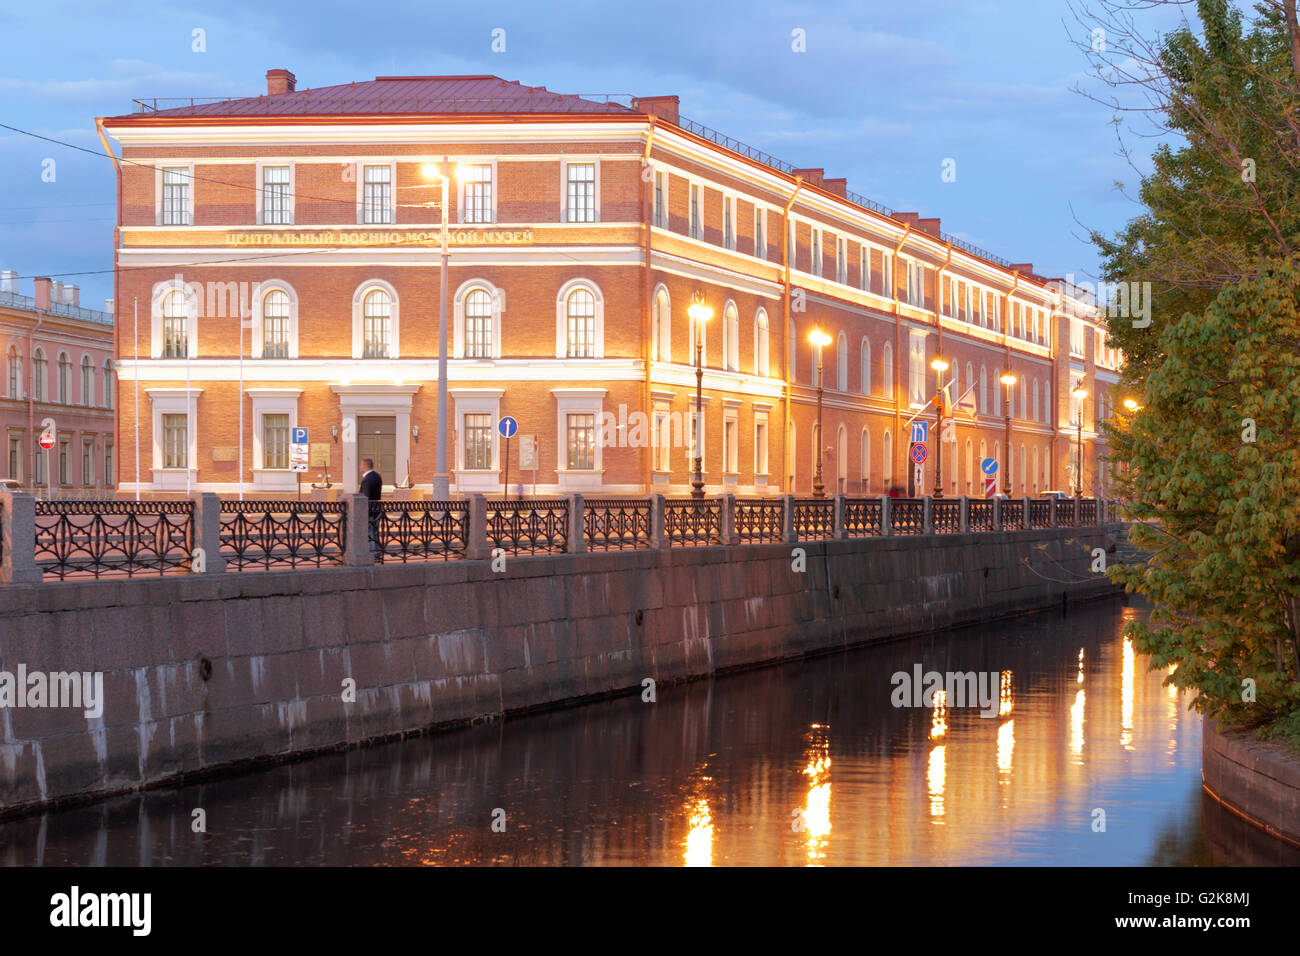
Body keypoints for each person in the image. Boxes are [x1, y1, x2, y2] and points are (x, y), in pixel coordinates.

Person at [359, 458, 383, 562]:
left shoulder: (367, 479)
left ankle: (373, 554)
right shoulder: (377, 476)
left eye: (361, 465)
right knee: (374, 532)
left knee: (370, 532)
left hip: (369, 510)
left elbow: (366, 496)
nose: (360, 467)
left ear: (365, 466)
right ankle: (377, 553)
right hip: (376, 508)